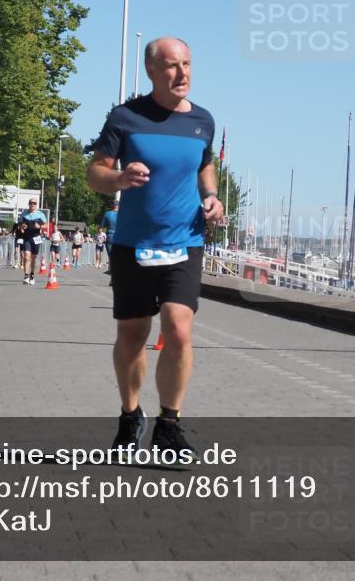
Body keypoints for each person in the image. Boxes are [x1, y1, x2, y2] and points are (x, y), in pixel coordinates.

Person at [87, 37, 223, 460]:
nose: (182, 73)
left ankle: (169, 427)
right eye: (171, 66)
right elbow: (94, 173)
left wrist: (213, 196)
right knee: (131, 335)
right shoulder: (125, 117)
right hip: (133, 243)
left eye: (187, 64)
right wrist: (118, 179)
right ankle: (130, 419)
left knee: (178, 330)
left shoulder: (202, 120)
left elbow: (205, 163)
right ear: (151, 71)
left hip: (185, 239)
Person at [19, 199, 47, 284]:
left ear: (36, 205)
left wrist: (40, 226)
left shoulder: (40, 214)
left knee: (34, 257)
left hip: (36, 238)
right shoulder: (24, 214)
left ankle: (32, 274)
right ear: (28, 204)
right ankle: (26, 275)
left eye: (34, 203)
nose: (32, 204)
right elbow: (19, 223)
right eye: (31, 203)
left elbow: (46, 224)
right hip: (27, 237)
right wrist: (22, 226)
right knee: (27, 256)